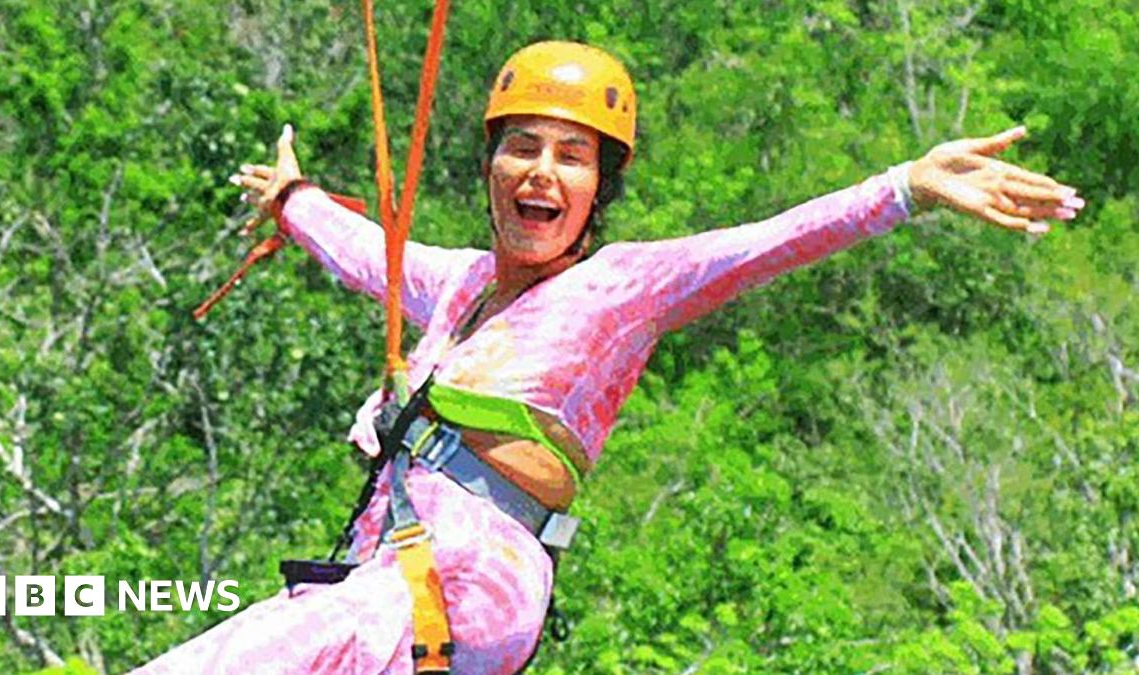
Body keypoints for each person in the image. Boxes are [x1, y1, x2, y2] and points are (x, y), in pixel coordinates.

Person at [135, 41, 1083, 674]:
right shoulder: (456, 285)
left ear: (599, 191)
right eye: (521, 149)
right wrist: (294, 198)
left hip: (469, 585)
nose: (542, 172)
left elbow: (772, 240)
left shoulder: (623, 288)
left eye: (571, 158)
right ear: (491, 170)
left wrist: (905, 187)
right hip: (388, 576)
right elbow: (357, 251)